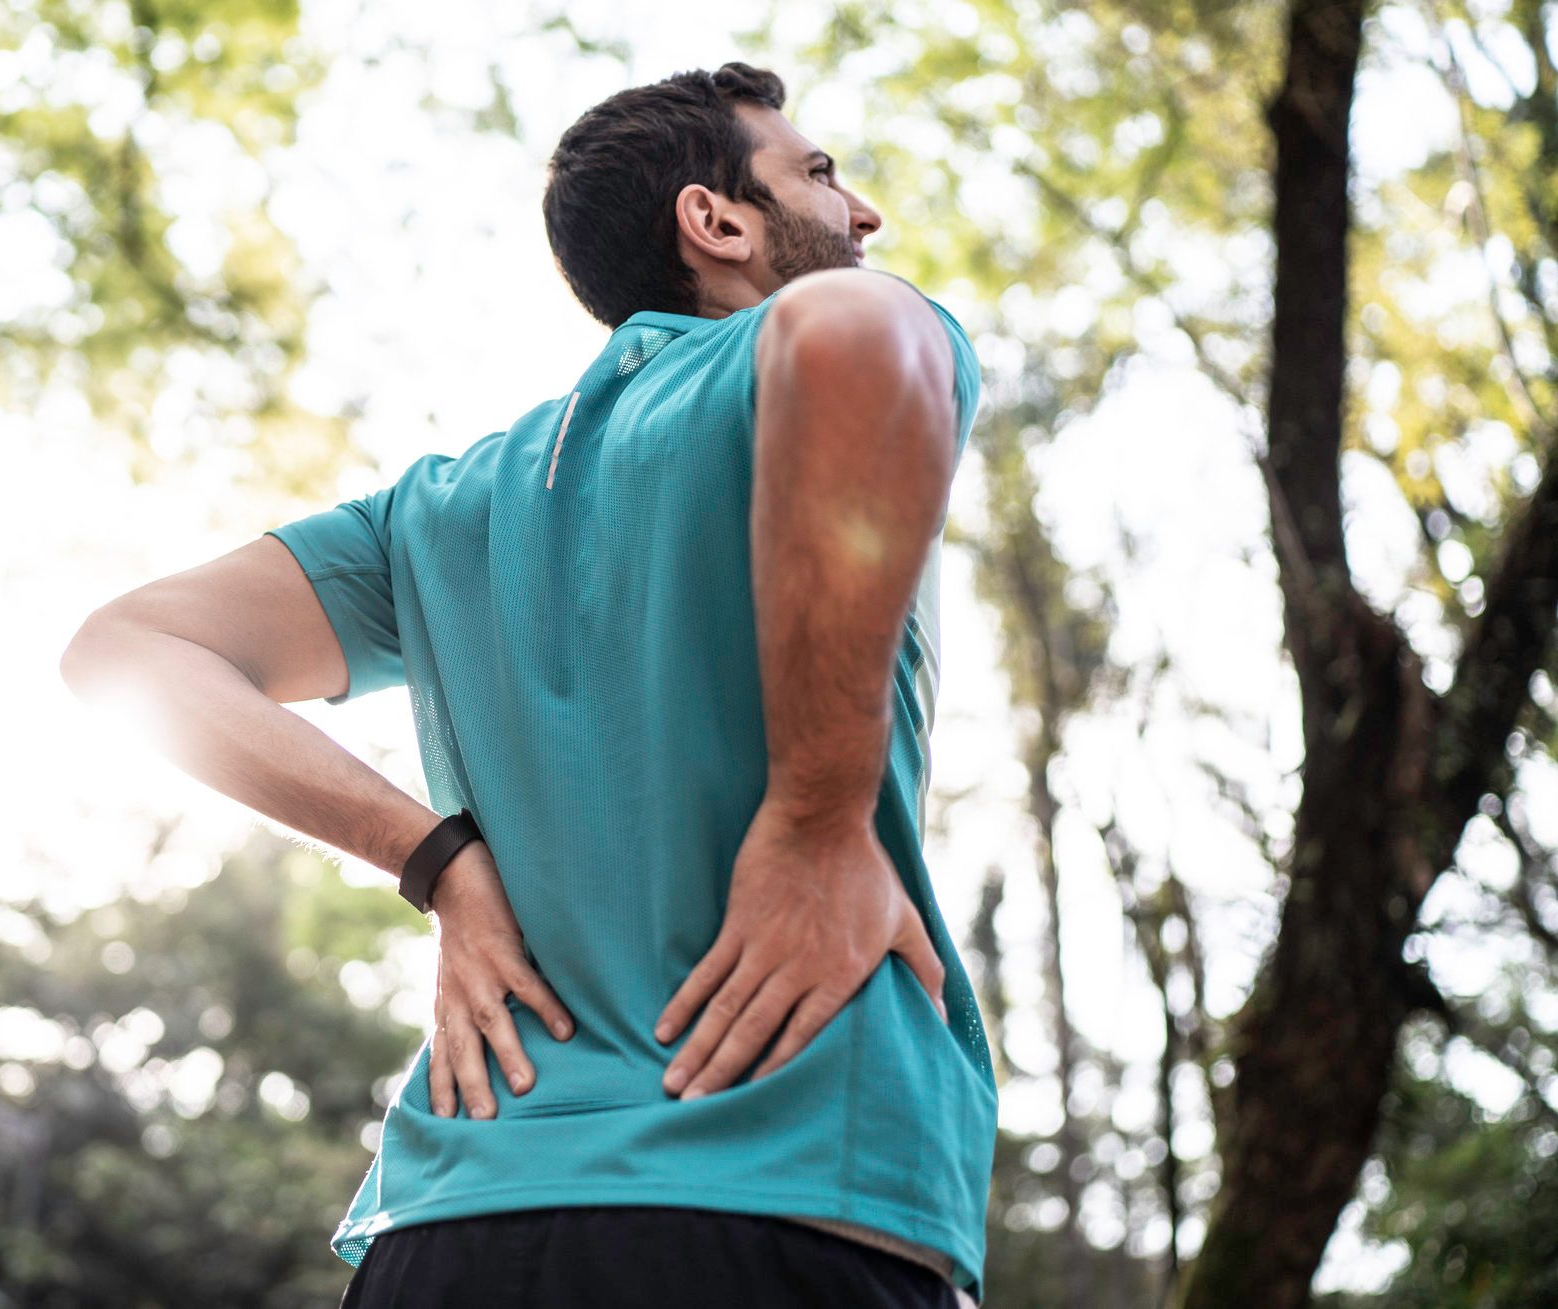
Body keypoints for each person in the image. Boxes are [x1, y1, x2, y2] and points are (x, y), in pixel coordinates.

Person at [60, 60, 995, 1309]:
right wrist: (819, 823)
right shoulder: (808, 344)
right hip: (778, 1183)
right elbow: (865, 330)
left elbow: (127, 650)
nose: (861, 216)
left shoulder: (438, 510)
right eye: (817, 175)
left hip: (452, 1229)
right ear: (713, 222)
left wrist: (435, 859)